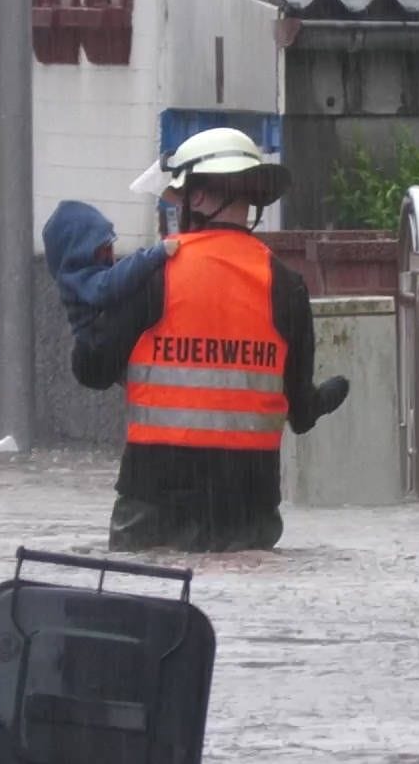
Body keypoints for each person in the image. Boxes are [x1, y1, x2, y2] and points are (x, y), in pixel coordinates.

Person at [71, 127, 350, 553]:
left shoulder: (153, 273)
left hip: (154, 500)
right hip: (248, 508)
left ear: (198, 198)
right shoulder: (285, 286)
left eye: (178, 198)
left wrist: (82, 303)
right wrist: (325, 398)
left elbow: (90, 370)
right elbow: (301, 412)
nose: (175, 209)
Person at [42, 199, 179, 340]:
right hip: (93, 351)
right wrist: (155, 255)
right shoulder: (78, 281)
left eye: (110, 245)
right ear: (80, 252)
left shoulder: (94, 275)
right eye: (104, 247)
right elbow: (109, 285)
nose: (110, 253)